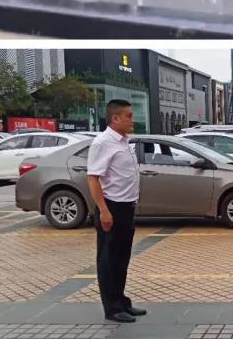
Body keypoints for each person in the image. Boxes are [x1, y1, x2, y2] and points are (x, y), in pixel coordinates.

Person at [87, 99, 145, 324]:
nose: (133, 120)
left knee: (122, 258)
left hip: (127, 207)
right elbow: (93, 178)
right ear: (115, 118)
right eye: (129, 116)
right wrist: (103, 210)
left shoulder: (123, 141)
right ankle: (111, 308)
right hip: (112, 207)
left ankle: (121, 302)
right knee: (108, 260)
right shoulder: (103, 143)